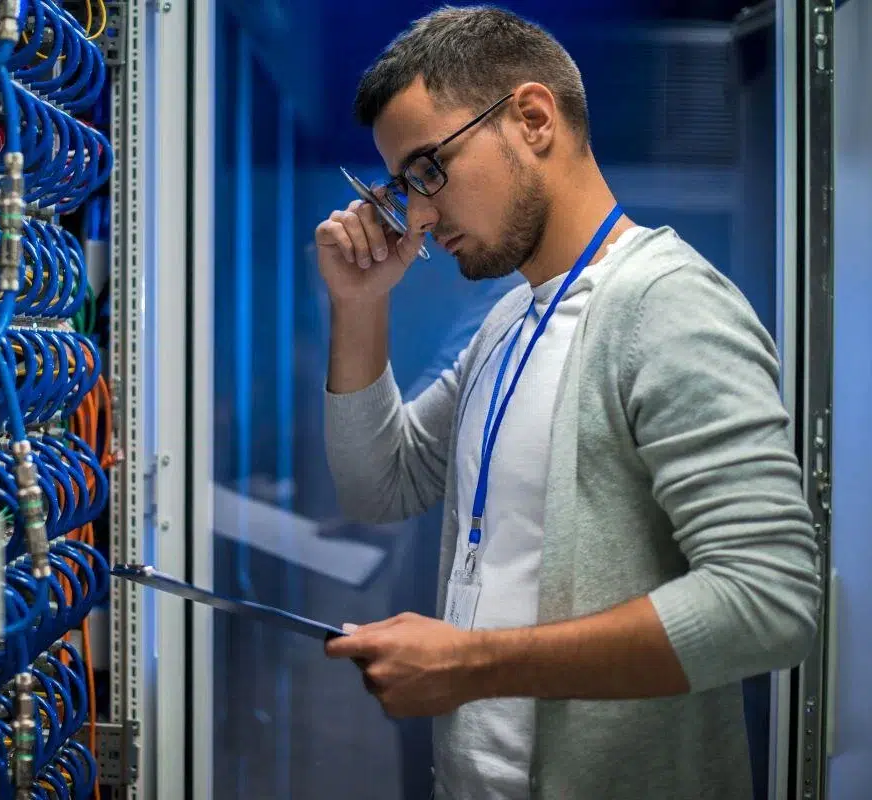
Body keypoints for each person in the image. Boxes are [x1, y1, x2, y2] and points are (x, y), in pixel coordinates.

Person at [318, 6, 819, 799]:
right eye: (399, 185)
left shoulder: (667, 306)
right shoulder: (510, 319)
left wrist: (473, 663)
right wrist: (358, 304)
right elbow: (380, 486)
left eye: (427, 170)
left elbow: (770, 600)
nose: (414, 213)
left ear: (532, 118)